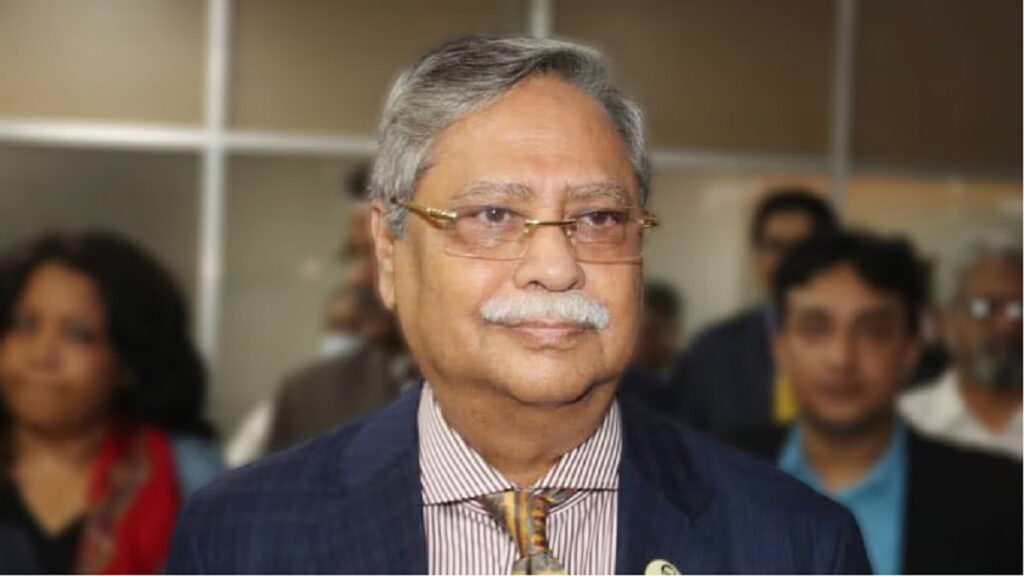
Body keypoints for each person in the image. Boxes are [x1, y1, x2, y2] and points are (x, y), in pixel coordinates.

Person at [166, 35, 868, 574]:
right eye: (495, 215)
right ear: (389, 250)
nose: (556, 267)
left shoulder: (794, 545)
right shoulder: (242, 538)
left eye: (598, 218)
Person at [735, 230, 1022, 574]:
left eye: (872, 331)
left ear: (911, 350)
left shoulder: (1000, 497)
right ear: (780, 349)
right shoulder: (710, 473)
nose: (841, 358)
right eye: (815, 329)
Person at [0, 232, 224, 573]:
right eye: (25, 325)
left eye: (78, 334)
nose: (42, 354)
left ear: (128, 364)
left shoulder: (190, 475)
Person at [673, 188, 839, 438]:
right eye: (775, 247)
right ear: (757, 255)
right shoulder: (712, 352)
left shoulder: (856, 350)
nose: (787, 261)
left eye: (802, 248)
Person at [900, 238, 1022, 458]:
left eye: (1020, 309)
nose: (1008, 324)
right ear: (942, 320)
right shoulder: (902, 424)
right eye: (984, 308)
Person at [619, 281, 684, 411]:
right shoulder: (620, 384)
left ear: (674, 332)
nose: (641, 340)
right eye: (636, 330)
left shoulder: (695, 381)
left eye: (652, 331)